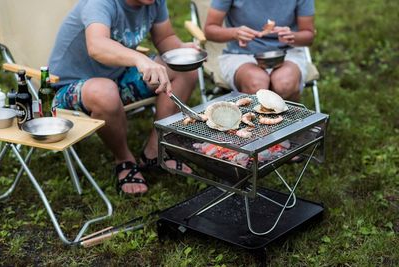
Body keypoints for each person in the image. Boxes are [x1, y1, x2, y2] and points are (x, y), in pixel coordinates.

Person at [49, 0, 197, 195]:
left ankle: (155, 150)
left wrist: (183, 52)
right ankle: (124, 159)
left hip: (118, 76)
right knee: (105, 92)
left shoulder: (154, 2)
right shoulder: (100, 3)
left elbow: (165, 38)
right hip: (71, 85)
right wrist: (139, 59)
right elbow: (97, 45)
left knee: (185, 71)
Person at [204, 0, 315, 102]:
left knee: (285, 83)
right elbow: (210, 30)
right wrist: (234, 33)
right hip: (241, 54)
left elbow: (308, 36)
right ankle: (255, 121)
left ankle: (291, 122)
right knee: (256, 83)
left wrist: (292, 36)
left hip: (287, 52)